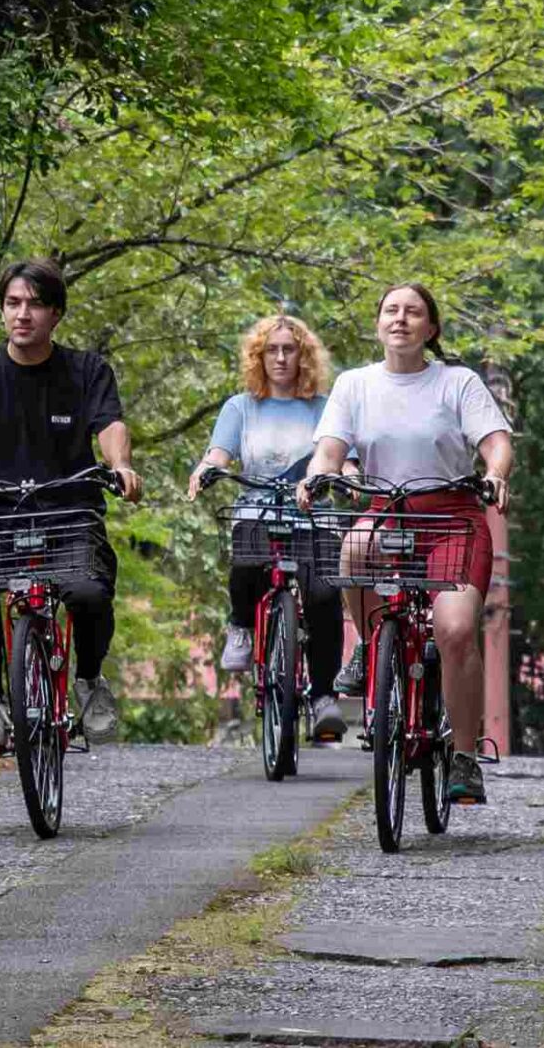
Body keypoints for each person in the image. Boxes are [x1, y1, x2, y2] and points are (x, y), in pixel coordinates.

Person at [302, 282, 513, 806]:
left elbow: (495, 442)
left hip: (452, 520)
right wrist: (318, 477)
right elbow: (329, 450)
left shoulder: (457, 383)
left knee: (457, 629)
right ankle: (373, 648)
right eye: (391, 311)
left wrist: (495, 473)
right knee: (352, 552)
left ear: (431, 328)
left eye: (413, 312)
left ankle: (464, 757)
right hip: (386, 512)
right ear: (378, 324)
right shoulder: (355, 385)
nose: (400, 319)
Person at [0, 258, 144, 753]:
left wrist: (121, 466)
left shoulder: (87, 371)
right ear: (2, 311)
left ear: (56, 313)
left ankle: (89, 680)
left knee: (90, 595)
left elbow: (110, 426)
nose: (22, 313)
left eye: (34, 304)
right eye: (13, 303)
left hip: (68, 513)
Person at [192, 314, 350, 743]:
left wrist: (349, 475)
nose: (280, 358)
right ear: (258, 357)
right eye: (272, 350)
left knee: (323, 594)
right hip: (258, 512)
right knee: (246, 562)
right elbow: (218, 454)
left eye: (289, 349)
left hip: (312, 518)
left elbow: (340, 455)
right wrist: (205, 472)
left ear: (304, 356)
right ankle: (241, 626)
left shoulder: (324, 407)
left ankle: (323, 698)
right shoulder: (240, 407)